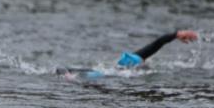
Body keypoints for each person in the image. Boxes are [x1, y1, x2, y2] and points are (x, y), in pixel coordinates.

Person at [57, 29, 198, 79]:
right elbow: (155, 46)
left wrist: (176, 34)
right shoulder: (127, 67)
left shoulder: (125, 66)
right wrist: (176, 34)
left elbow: (155, 45)